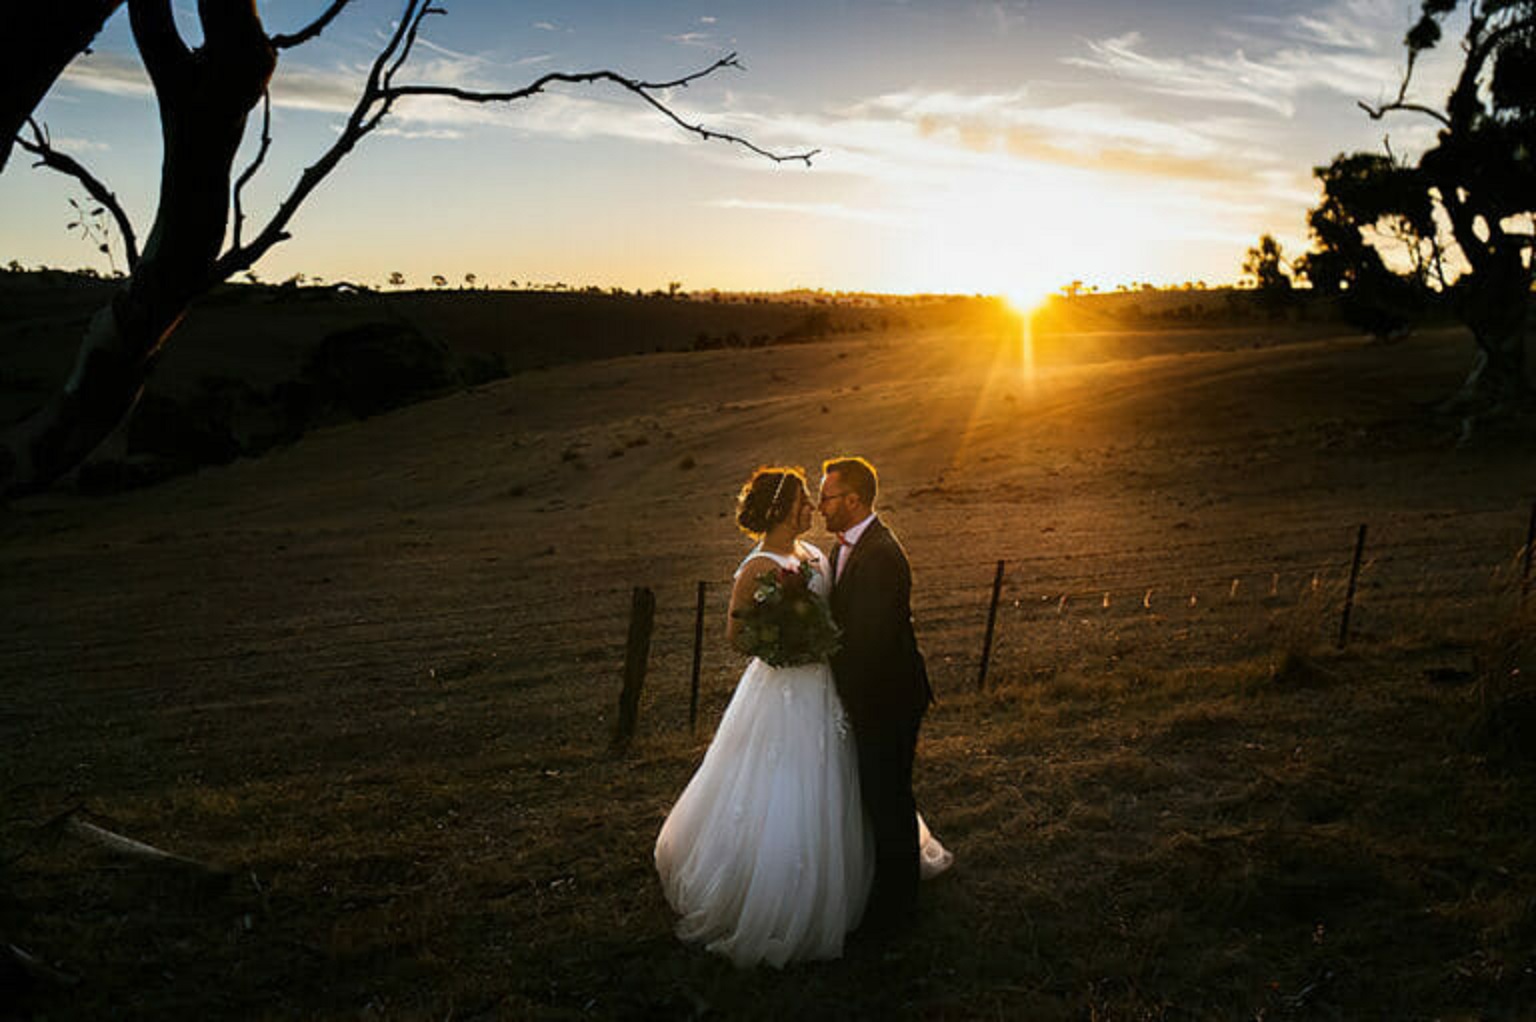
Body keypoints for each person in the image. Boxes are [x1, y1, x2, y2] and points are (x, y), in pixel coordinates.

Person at [654, 466, 871, 968]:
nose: (810, 509)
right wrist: (784, 646)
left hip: (824, 684)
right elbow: (736, 637)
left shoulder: (815, 556)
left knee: (831, 773)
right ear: (779, 509)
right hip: (781, 686)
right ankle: (773, 894)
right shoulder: (756, 567)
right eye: (801, 502)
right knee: (780, 780)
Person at [819, 455, 950, 936]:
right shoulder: (842, 549)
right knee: (876, 795)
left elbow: (869, 642)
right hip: (871, 694)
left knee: (889, 798)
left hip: (887, 697)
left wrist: (823, 675)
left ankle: (898, 911)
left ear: (853, 500)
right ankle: (887, 890)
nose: (820, 506)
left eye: (828, 497)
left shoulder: (880, 555)